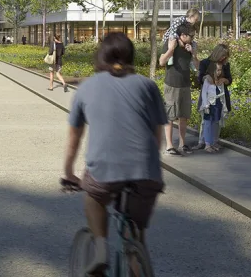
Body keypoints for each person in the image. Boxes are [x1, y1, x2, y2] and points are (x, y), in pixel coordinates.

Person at [61, 32, 166, 275]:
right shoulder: (147, 85)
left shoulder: (87, 88)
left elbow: (74, 137)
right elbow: (157, 133)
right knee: (136, 233)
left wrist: (68, 172)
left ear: (100, 57)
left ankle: (100, 248)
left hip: (105, 170)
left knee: (93, 197)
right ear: (131, 57)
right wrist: (150, 162)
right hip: (147, 171)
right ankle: (136, 257)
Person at [159, 22, 199, 156]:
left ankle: (183, 144)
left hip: (185, 85)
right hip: (171, 85)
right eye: (191, 36)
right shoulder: (171, 43)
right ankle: (169, 146)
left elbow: (198, 67)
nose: (193, 38)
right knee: (170, 116)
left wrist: (193, 54)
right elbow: (161, 62)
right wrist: (170, 50)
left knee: (184, 116)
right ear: (183, 35)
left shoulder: (191, 47)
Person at [197, 44, 232, 151]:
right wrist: (206, 77)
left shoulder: (225, 65)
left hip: (220, 95)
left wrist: (225, 80)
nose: (224, 59)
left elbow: (229, 79)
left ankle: (214, 141)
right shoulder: (205, 63)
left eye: (225, 57)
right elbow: (199, 79)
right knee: (206, 121)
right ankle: (203, 142)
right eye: (223, 56)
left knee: (217, 120)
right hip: (208, 96)